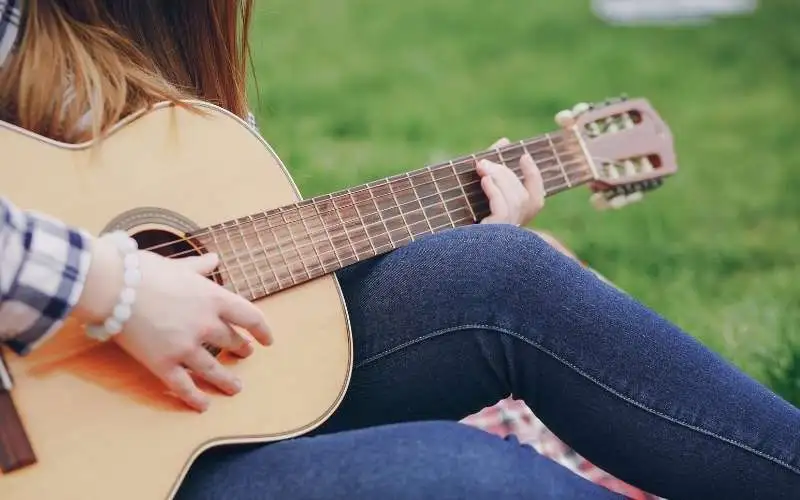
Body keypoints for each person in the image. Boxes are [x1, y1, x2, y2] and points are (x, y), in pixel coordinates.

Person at [1, 1, 798, 499]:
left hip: (158, 407)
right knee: (471, 478)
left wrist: (449, 224)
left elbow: (220, 247)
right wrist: (112, 289)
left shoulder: (136, 40)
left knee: (502, 273)